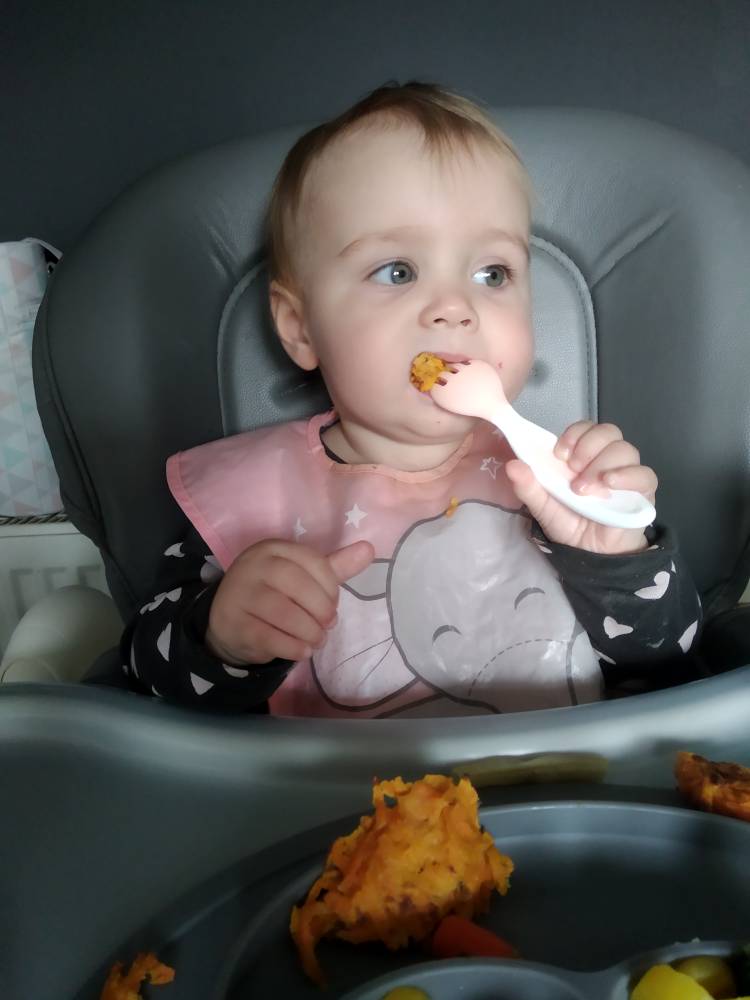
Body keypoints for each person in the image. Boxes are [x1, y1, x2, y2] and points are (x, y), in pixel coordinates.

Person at [121, 80, 702, 716]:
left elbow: (669, 659)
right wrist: (221, 639)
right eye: (397, 271)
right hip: (333, 783)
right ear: (300, 328)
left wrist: (615, 559)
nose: (455, 307)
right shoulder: (248, 496)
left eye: (492, 273)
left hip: (559, 774)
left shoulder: (560, 481)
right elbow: (145, 674)